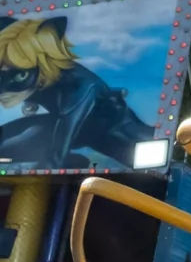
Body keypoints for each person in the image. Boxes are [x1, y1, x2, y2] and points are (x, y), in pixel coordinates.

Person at [0, 17, 154, 171]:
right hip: (80, 132)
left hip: (124, 138)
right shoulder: (36, 77)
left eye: (19, 76)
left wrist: (56, 161)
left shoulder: (79, 85)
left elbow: (56, 154)